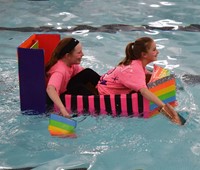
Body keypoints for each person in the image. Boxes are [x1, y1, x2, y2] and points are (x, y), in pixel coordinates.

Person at [97, 37, 183, 125]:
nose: (157, 52)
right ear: (144, 55)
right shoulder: (135, 69)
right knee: (145, 94)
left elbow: (149, 75)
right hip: (105, 94)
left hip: (104, 85)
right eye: (154, 50)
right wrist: (166, 108)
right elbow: (144, 92)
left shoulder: (136, 63)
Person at [46, 37, 100, 118]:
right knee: (80, 88)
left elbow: (87, 74)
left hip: (66, 90)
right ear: (68, 55)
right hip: (58, 99)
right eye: (79, 52)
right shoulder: (60, 70)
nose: (83, 54)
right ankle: (99, 102)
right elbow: (50, 89)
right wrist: (62, 109)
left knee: (88, 72)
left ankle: (109, 88)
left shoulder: (70, 64)